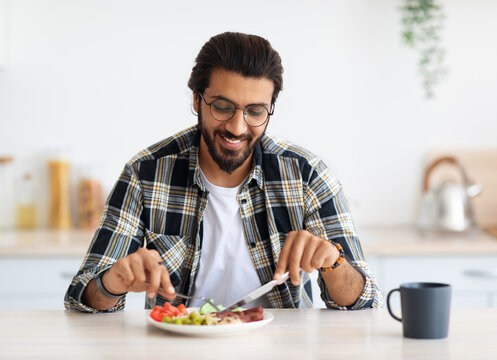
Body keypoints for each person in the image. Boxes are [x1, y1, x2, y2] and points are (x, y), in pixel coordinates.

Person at [65, 32, 382, 312]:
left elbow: (364, 300)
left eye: (255, 111)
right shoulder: (145, 173)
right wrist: (113, 281)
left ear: (269, 109)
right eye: (222, 106)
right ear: (196, 100)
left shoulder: (307, 175)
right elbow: (81, 297)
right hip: (178, 348)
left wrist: (333, 262)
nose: (237, 127)